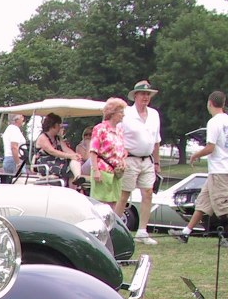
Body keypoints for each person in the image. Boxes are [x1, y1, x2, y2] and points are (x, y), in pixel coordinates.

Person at [172, 91, 228, 244]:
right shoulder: (226, 120)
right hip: (218, 170)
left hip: (220, 170)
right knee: (203, 203)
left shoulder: (214, 122)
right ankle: (186, 232)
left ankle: (227, 237)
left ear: (209, 103)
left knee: (222, 206)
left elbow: (211, 147)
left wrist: (195, 155)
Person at [116, 80, 162, 246]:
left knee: (148, 193)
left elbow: (156, 140)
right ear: (135, 96)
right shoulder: (126, 113)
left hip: (147, 160)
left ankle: (142, 231)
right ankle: (115, 229)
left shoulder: (154, 114)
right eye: (142, 94)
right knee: (124, 194)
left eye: (148, 94)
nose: (145, 97)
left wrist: (156, 162)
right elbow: (117, 136)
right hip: (129, 158)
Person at [89, 98, 128, 204]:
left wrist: (123, 161)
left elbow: (121, 150)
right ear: (112, 113)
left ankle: (112, 221)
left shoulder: (119, 130)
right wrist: (96, 170)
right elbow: (93, 151)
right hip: (102, 171)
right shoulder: (100, 128)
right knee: (101, 204)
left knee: (114, 202)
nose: (123, 115)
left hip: (116, 173)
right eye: (121, 112)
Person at [35, 113, 83, 185]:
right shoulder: (43, 137)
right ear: (53, 125)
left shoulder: (58, 138)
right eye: (59, 125)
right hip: (46, 163)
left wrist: (75, 155)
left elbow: (66, 149)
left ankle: (77, 179)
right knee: (67, 167)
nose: (60, 127)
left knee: (73, 163)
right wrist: (70, 156)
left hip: (58, 162)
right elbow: (52, 151)